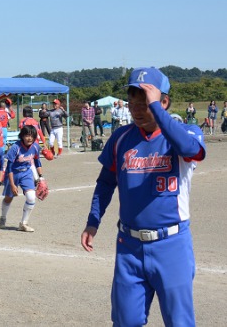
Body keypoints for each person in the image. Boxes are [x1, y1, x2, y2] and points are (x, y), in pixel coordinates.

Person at [80, 67, 206, 326]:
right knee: (125, 321)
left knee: (179, 322)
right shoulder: (121, 137)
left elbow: (190, 149)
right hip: (129, 247)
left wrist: (156, 108)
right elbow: (105, 183)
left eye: (143, 102)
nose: (136, 108)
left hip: (172, 244)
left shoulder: (186, 132)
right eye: (132, 102)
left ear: (164, 101)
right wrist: (93, 221)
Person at [0, 126, 47, 232]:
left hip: (26, 173)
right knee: (8, 198)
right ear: (22, 136)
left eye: (32, 136)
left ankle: (23, 223)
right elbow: (9, 167)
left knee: (31, 197)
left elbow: (37, 161)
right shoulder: (16, 147)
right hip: (13, 174)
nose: (29, 138)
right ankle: (3, 218)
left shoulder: (35, 147)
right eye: (27, 135)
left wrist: (40, 177)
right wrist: (12, 184)